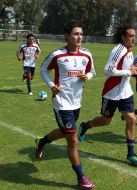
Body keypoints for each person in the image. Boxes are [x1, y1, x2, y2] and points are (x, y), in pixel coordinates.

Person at [36, 20, 95, 189]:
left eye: (81, 34)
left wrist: (88, 77)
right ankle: (81, 178)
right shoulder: (57, 54)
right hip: (61, 103)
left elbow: (92, 71)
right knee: (72, 139)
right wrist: (52, 86)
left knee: (65, 132)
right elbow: (42, 69)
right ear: (67, 36)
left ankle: (42, 142)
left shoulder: (86, 55)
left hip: (76, 102)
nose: (79, 37)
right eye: (76, 34)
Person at [77, 24, 137, 165]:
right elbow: (108, 70)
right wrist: (128, 72)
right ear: (123, 37)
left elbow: (125, 69)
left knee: (131, 119)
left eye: (134, 36)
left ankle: (131, 154)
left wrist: (131, 70)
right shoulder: (118, 50)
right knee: (106, 120)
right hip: (111, 92)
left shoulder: (130, 50)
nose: (134, 38)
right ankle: (85, 125)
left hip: (126, 92)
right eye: (131, 36)